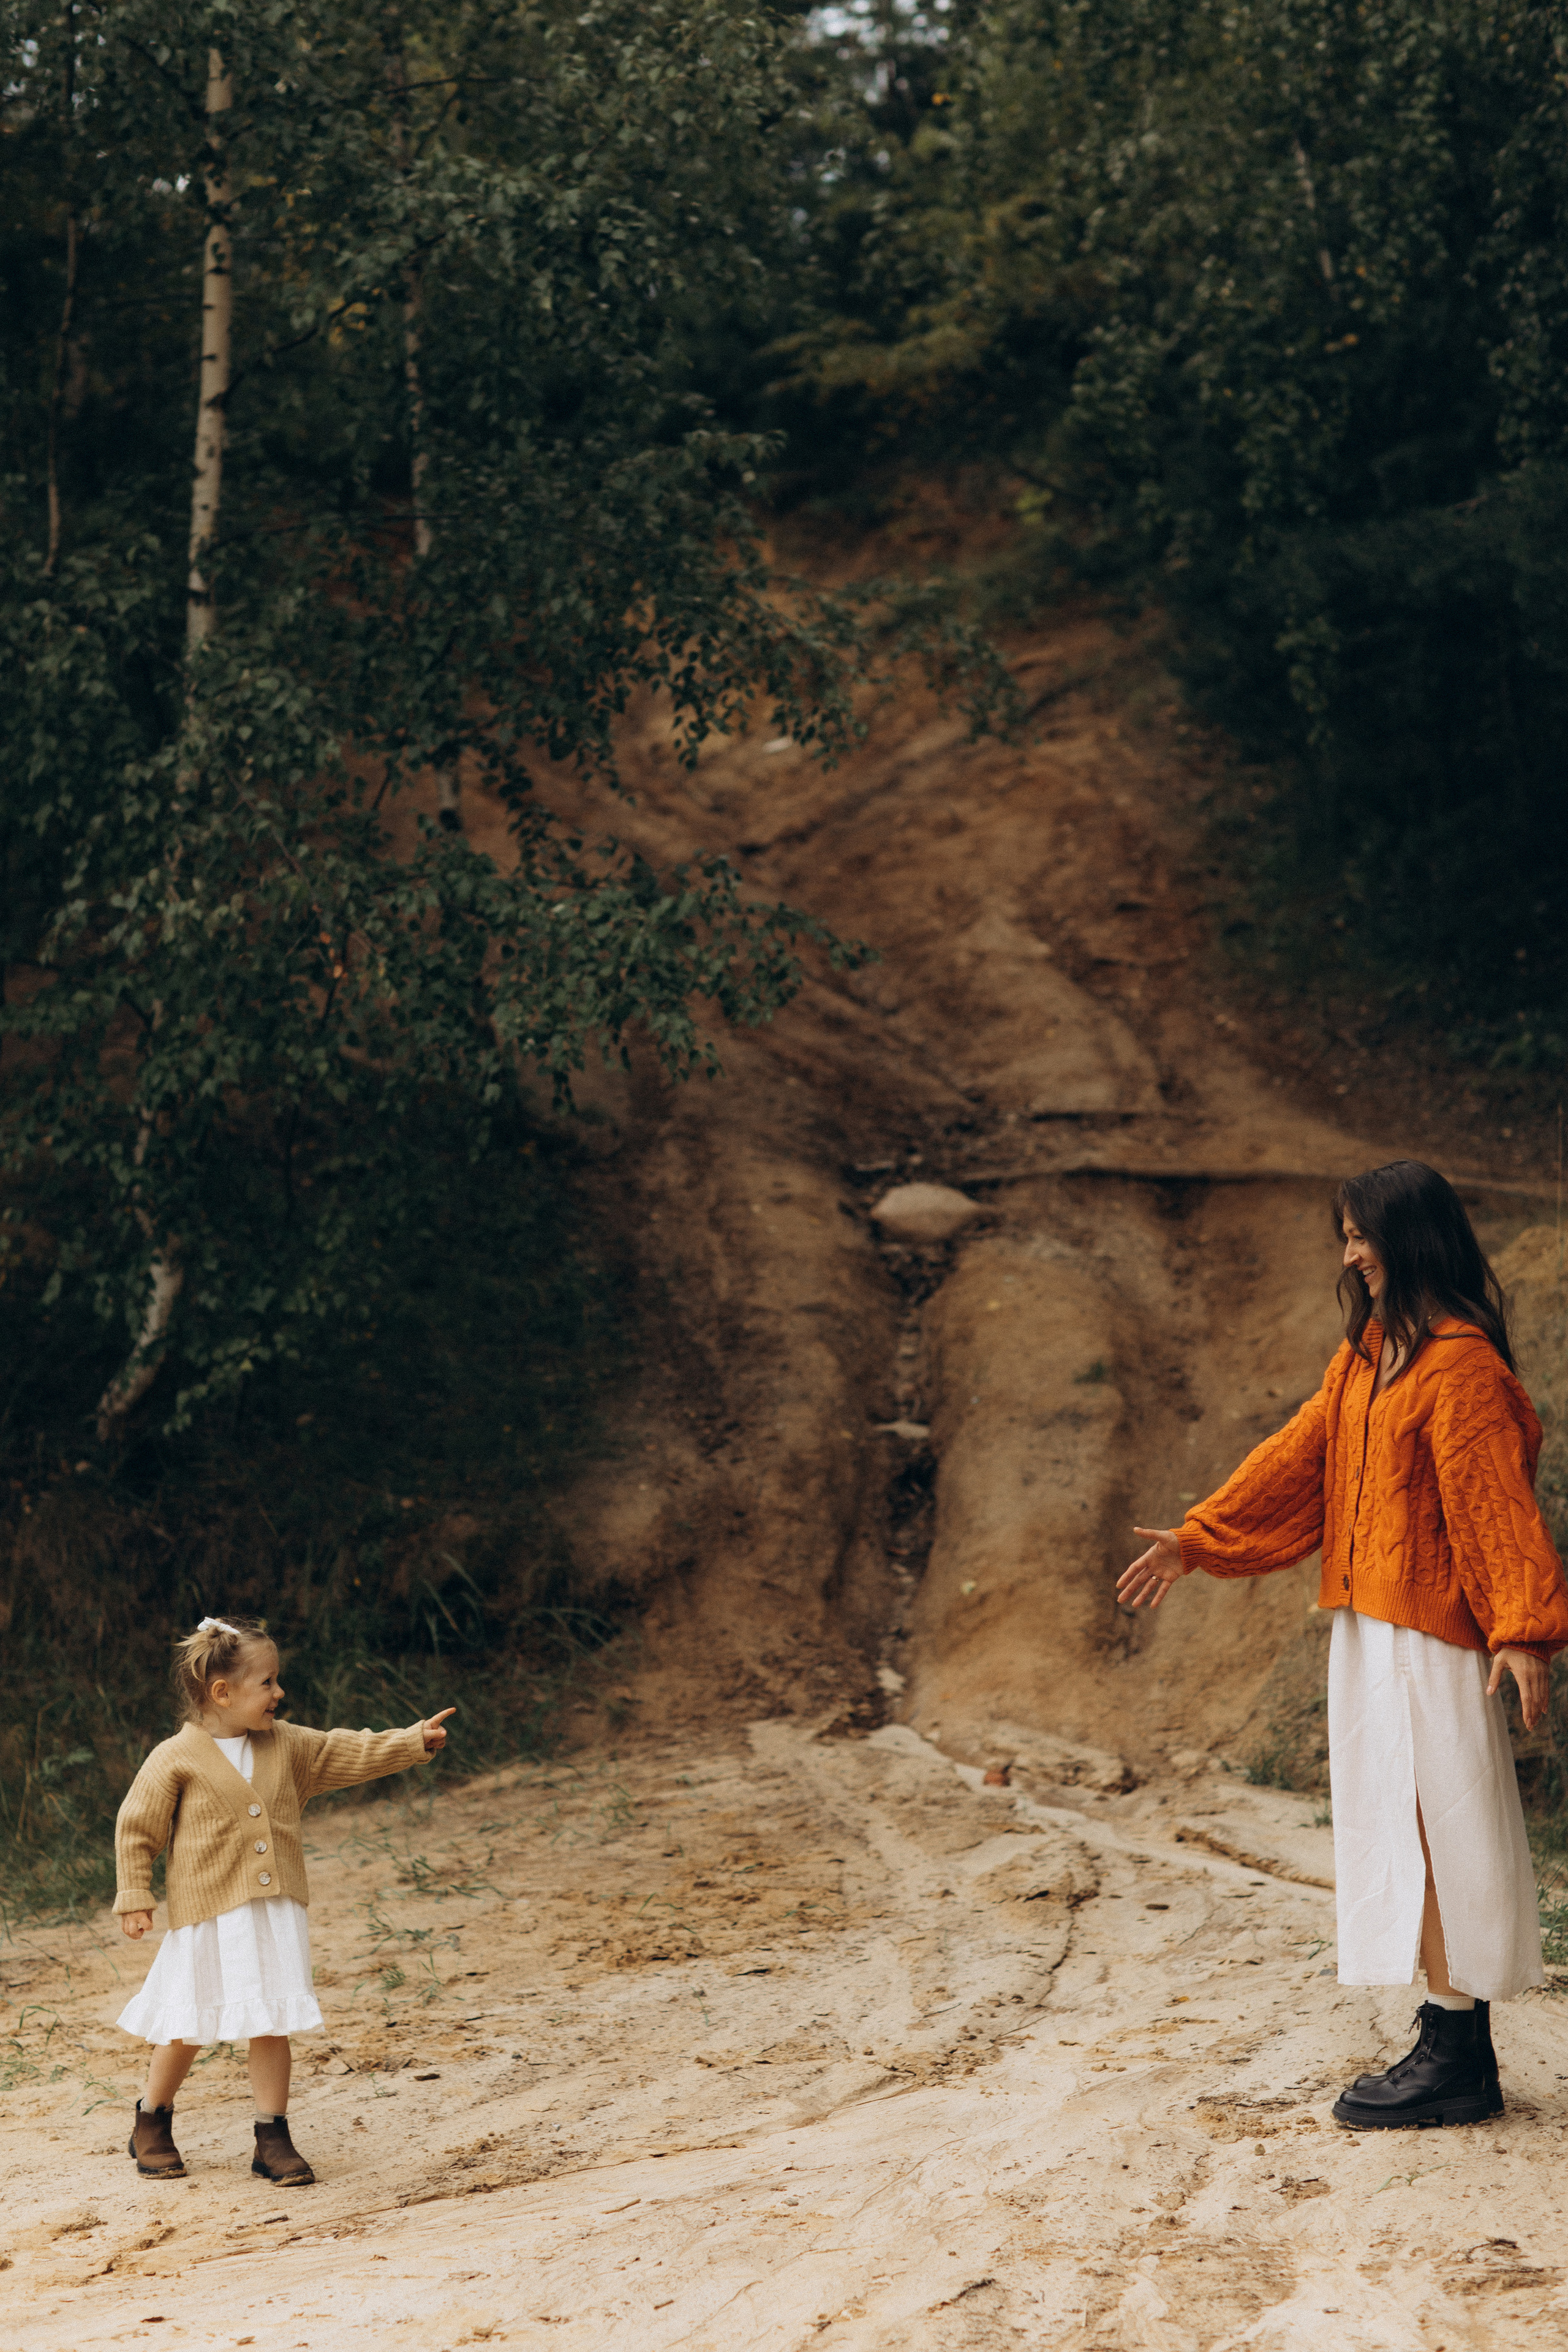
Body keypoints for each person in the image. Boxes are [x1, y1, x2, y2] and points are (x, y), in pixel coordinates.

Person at [1118, 1159, 1568, 2130]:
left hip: (1430, 1639)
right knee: (1400, 1829)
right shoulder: (1369, 1355)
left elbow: (1495, 1504)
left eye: (1363, 1234)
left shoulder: (1460, 1366)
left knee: (1438, 1831)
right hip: (1369, 1628)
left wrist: (1523, 1628)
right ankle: (1452, 2040)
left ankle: (1458, 2055)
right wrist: (1203, 1535)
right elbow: (1299, 1454)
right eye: (1346, 1236)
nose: (1352, 1253)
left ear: (1410, 1237)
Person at [115, 1613, 454, 2184]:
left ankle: (271, 2135)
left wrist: (411, 1742)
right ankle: (152, 2118)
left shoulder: (288, 1746)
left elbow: (348, 1752)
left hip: (273, 1914)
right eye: (267, 1683)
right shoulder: (174, 1757)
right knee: (185, 2022)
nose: (280, 1693)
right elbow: (136, 1826)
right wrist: (134, 1893)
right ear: (222, 1693)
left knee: (271, 2020)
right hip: (207, 1916)